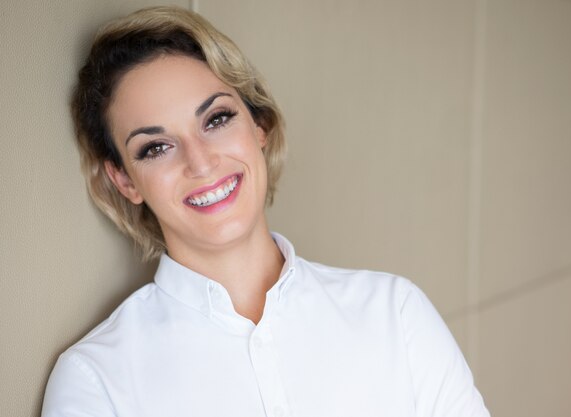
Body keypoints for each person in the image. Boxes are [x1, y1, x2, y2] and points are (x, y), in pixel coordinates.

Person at [42, 6, 489, 417]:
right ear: (124, 180)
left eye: (215, 119)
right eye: (156, 147)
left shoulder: (394, 314)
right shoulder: (95, 381)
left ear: (259, 126)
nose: (200, 163)